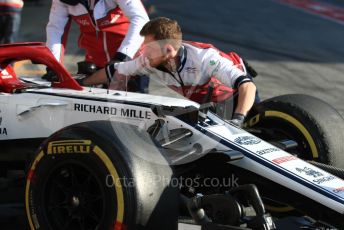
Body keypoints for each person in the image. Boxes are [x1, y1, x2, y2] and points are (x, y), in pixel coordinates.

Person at [82, 17, 258, 126]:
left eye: (149, 47)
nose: (144, 52)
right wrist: (80, 83)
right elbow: (114, 71)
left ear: (167, 50)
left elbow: (248, 87)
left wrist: (238, 119)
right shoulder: (148, 61)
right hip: (210, 103)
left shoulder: (204, 58)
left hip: (238, 94)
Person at [45, 0, 150, 92]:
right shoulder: (61, 1)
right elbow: (55, 28)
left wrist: (122, 56)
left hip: (130, 59)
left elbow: (141, 19)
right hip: (96, 63)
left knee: (132, 110)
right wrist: (53, 65)